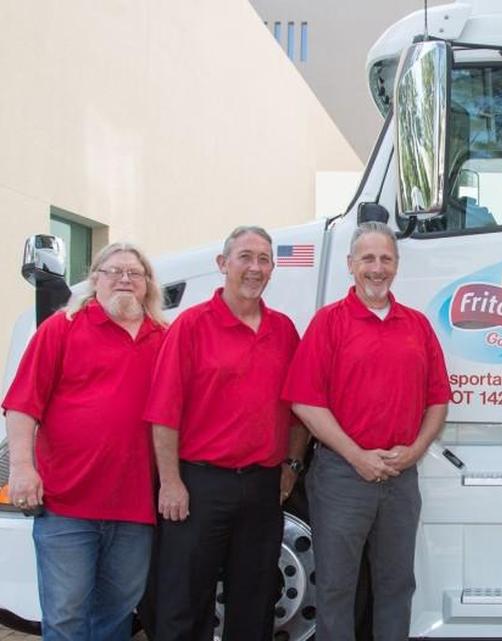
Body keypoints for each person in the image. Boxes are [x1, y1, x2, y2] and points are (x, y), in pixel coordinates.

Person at [284, 222, 450, 641]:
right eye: (368, 259)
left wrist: (414, 450)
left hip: (400, 475)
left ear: (396, 265)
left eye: (386, 259)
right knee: (337, 589)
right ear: (350, 265)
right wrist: (357, 455)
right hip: (342, 476)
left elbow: (438, 400)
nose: (377, 268)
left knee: (396, 586)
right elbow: (304, 401)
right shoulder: (328, 323)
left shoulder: (416, 326)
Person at [145, 226, 307, 641]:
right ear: (223, 264)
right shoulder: (191, 326)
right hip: (200, 485)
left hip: (262, 487)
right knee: (185, 600)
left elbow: (300, 409)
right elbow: (164, 413)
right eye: (245, 257)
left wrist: (290, 464)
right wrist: (171, 482)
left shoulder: (284, 331)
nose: (255, 268)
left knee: (254, 602)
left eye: (264, 259)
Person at [3, 243, 166, 641]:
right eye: (114, 271)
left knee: (115, 616)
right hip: (66, 505)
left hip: (135, 508)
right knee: (66, 616)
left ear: (147, 285)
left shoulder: (165, 338)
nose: (125, 279)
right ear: (95, 280)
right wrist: (23, 469)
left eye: (135, 273)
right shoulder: (61, 328)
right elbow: (23, 405)